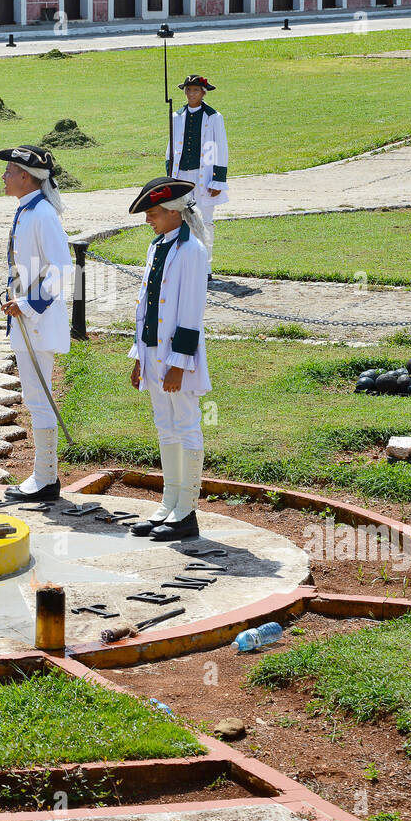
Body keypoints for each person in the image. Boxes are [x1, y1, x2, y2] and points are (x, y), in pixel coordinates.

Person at [127, 177, 211, 541]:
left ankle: (187, 511)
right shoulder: (157, 246)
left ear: (175, 212)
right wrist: (138, 357)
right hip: (152, 351)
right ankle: (169, 503)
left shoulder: (192, 251)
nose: (149, 219)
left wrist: (179, 363)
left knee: (187, 423)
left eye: (155, 212)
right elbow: (145, 307)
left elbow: (191, 313)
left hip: (178, 356)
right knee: (165, 424)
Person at [0, 144, 72, 503]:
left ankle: (46, 479)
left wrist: (26, 304)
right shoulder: (27, 210)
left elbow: (62, 271)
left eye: (9, 171)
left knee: (38, 398)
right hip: (26, 320)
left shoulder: (42, 214)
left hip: (37, 322)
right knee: (33, 397)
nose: (4, 176)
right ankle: (44, 476)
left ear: (26, 177)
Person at [166, 74, 228, 276]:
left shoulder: (213, 117)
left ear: (203, 92)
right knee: (179, 218)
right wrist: (170, 176)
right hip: (181, 175)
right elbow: (171, 148)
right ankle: (183, 262)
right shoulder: (177, 116)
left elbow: (219, 148)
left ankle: (204, 265)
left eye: (195, 90)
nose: (191, 94)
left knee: (204, 221)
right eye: (188, 90)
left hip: (204, 176)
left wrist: (217, 180)